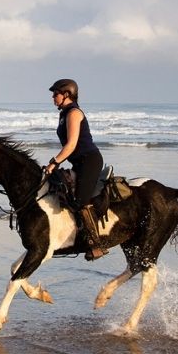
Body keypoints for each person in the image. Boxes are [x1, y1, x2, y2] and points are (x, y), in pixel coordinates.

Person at [43, 78, 107, 259]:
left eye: (56, 94)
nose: (53, 97)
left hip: (89, 161)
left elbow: (71, 145)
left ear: (67, 94)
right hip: (78, 162)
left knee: (79, 201)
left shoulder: (74, 113)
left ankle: (95, 244)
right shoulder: (64, 113)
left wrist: (54, 162)